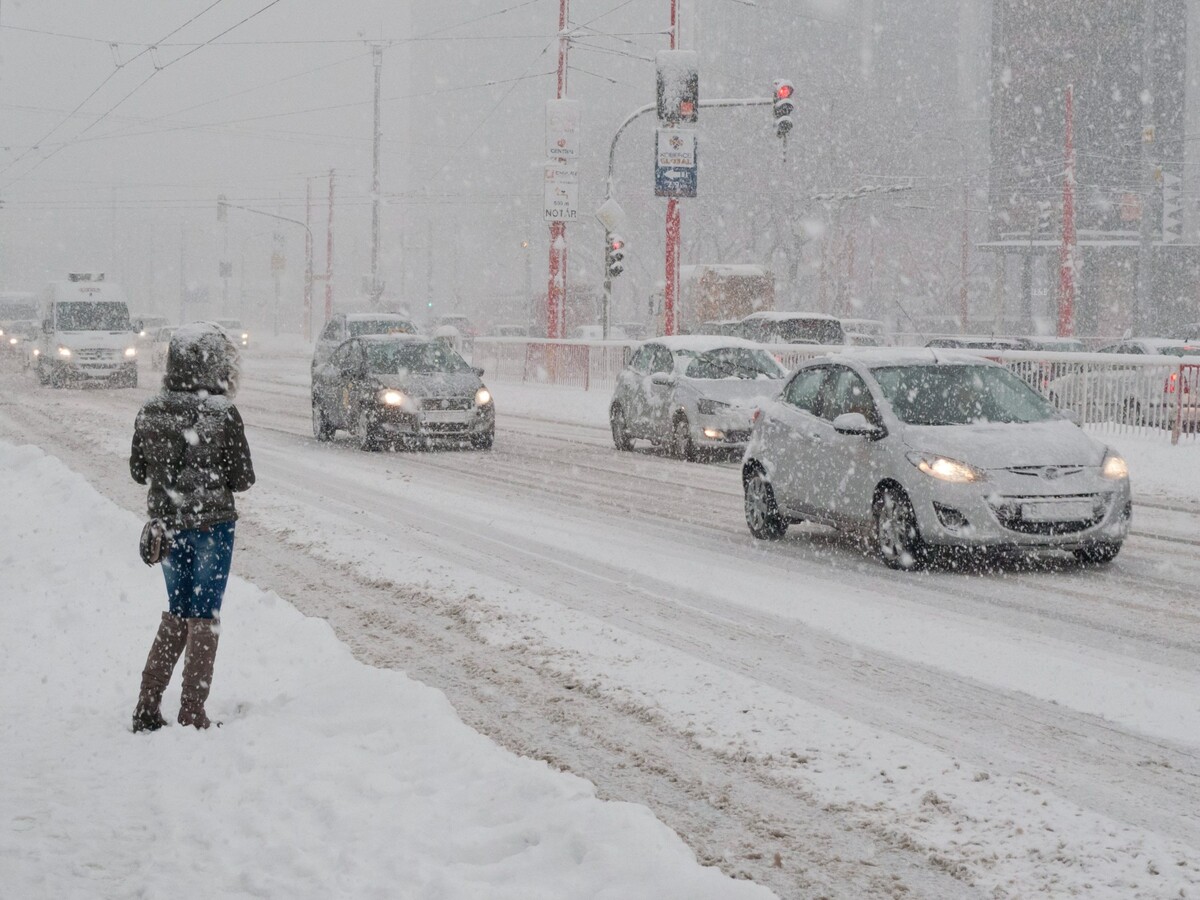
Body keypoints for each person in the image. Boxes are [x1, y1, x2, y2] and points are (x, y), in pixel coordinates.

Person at [129, 323, 255, 732]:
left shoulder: (149, 410)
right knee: (204, 615)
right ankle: (192, 710)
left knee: (178, 612)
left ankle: (148, 704)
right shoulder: (223, 413)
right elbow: (243, 478)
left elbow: (136, 471)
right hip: (212, 528)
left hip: (168, 528)